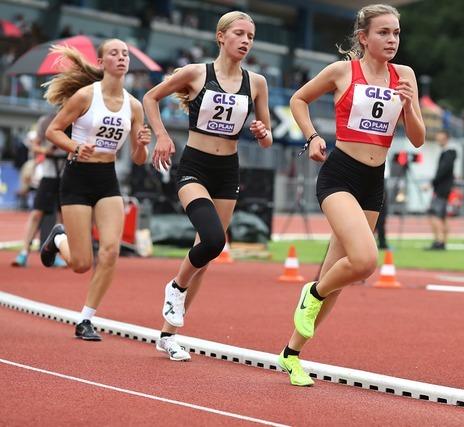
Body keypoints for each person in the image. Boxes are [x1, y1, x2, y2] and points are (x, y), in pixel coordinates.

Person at [279, 4, 425, 386]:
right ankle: (312, 293)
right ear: (363, 37)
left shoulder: (405, 75)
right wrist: (312, 136)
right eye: (383, 33)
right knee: (363, 261)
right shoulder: (343, 71)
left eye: (396, 33)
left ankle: (291, 354)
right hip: (340, 175)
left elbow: (418, 138)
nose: (392, 40)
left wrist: (410, 104)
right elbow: (298, 99)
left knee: (338, 278)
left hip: (374, 182)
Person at [143, 11, 272, 361]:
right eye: (239, 34)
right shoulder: (196, 73)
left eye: (251, 36)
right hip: (195, 166)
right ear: (221, 37)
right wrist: (162, 135)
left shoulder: (256, 82)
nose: (246, 41)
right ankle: (175, 287)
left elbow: (267, 137)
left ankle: (169, 336)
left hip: (228, 171)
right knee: (214, 240)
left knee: (207, 254)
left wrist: (262, 132)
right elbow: (150, 98)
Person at [39, 39, 151, 340]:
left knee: (111, 251)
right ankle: (58, 237)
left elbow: (140, 160)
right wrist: (76, 146)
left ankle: (86, 319)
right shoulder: (85, 96)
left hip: (107, 178)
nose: (121, 57)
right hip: (77, 177)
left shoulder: (134, 105)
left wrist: (141, 144)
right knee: (80, 264)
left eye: (125, 54)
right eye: (114, 53)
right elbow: (53, 131)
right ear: (101, 62)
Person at [12, 112, 67, 268]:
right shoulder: (46, 121)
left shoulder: (77, 119)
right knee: (36, 213)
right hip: (48, 174)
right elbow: (35, 146)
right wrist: (45, 151)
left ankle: (56, 254)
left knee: (62, 217)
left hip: (67, 175)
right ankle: (23, 252)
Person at [426, 129, 456, 250]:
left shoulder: (448, 154)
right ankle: (442, 241)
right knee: (442, 216)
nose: (438, 138)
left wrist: (432, 183)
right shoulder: (449, 153)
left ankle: (439, 241)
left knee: (434, 214)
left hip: (441, 190)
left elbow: (442, 172)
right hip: (445, 189)